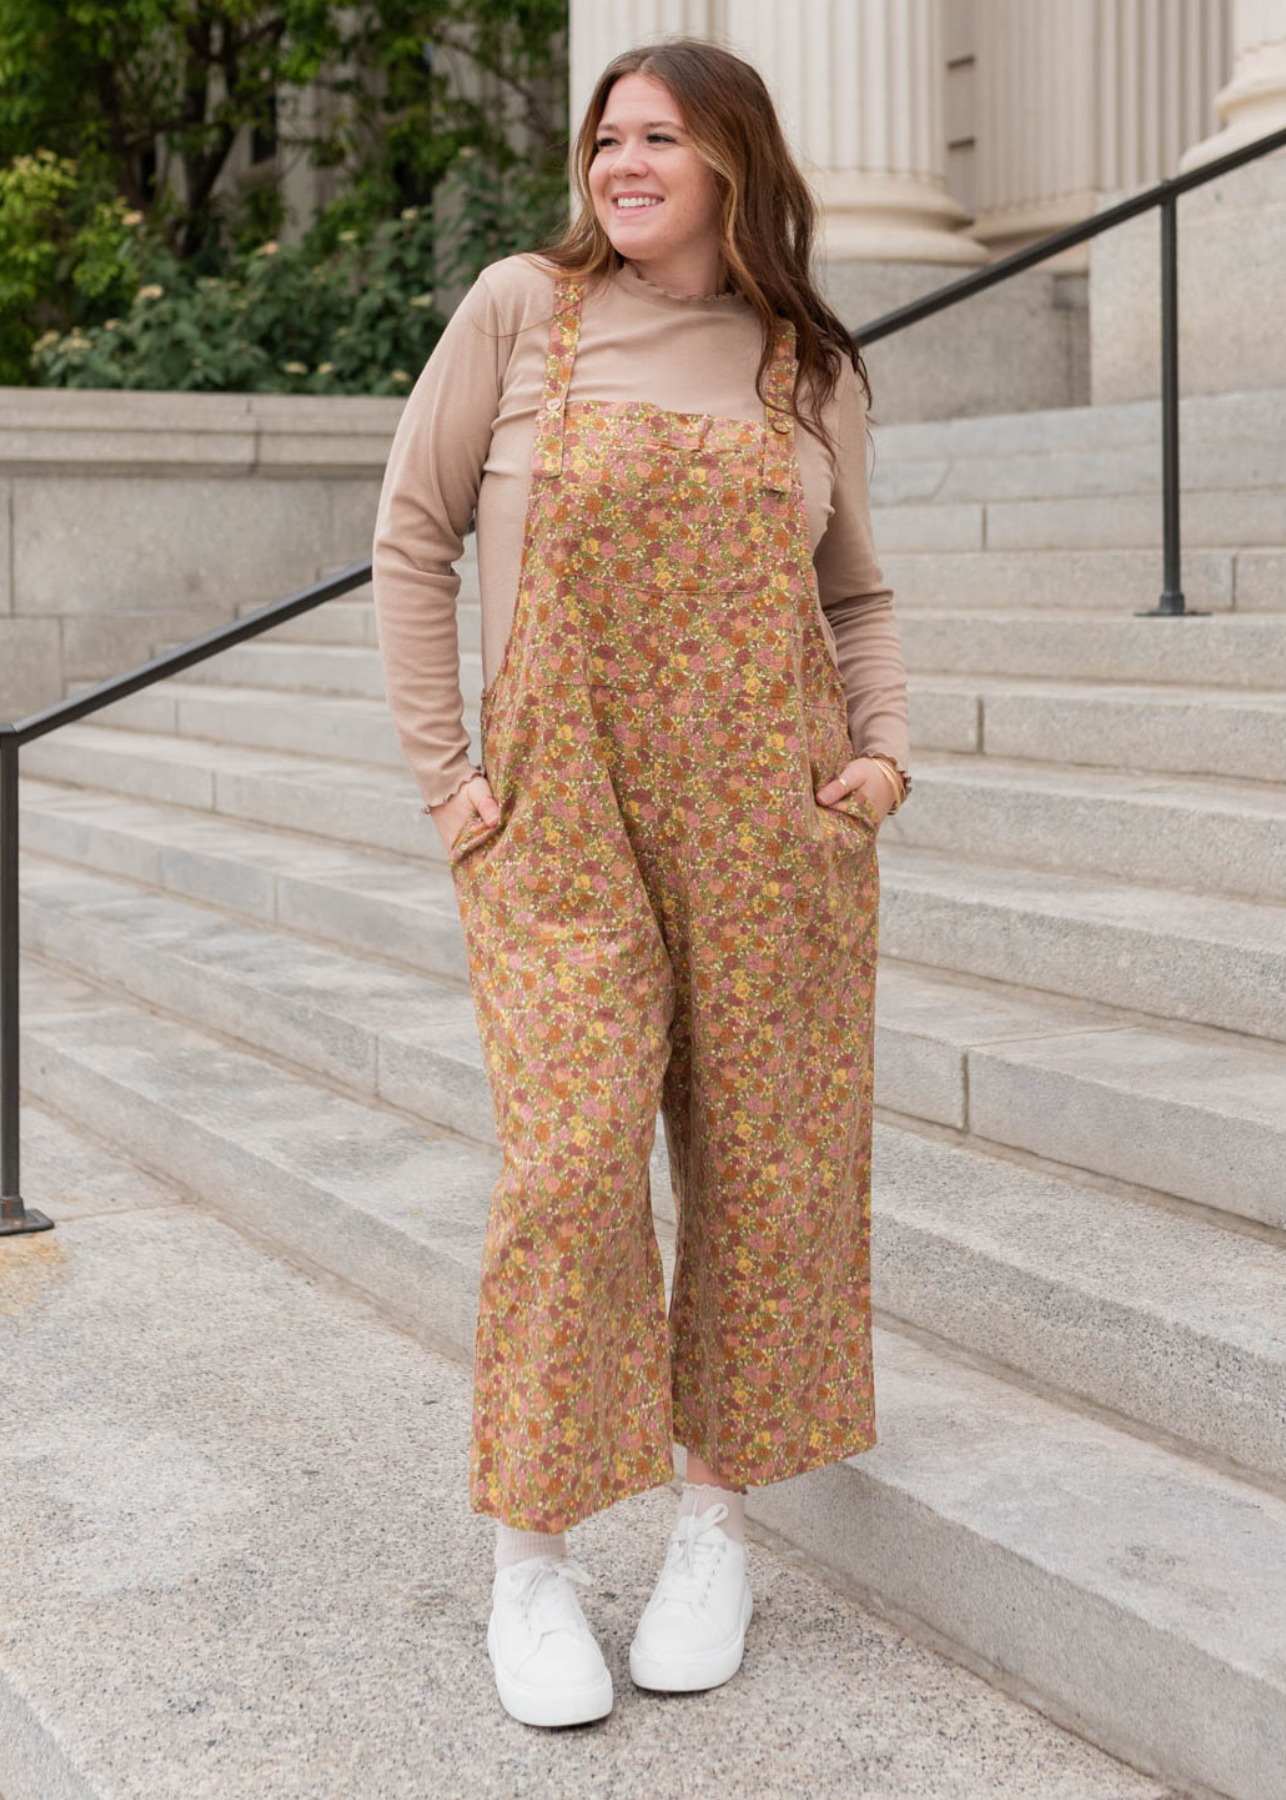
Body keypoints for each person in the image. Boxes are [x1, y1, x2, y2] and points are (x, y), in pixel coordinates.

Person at [371, 34, 911, 1730]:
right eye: (606, 138)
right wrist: (449, 776)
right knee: (570, 1165)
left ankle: (711, 1524)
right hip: (564, 815)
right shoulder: (526, 310)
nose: (619, 162)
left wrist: (879, 762)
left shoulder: (805, 363)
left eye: (656, 138)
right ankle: (530, 1562)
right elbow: (412, 529)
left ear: (732, 161)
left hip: (772, 819)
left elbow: (860, 597)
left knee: (766, 1165)